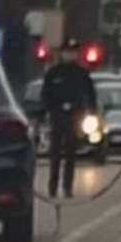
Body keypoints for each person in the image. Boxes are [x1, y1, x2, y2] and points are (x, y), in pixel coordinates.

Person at [40, 39, 99, 198]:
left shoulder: (81, 74)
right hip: (58, 117)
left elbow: (90, 95)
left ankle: (67, 186)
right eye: (67, 52)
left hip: (75, 116)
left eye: (73, 53)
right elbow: (45, 96)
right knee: (55, 154)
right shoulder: (53, 73)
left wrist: (92, 112)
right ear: (61, 54)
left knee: (71, 154)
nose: (70, 55)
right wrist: (48, 111)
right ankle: (52, 186)